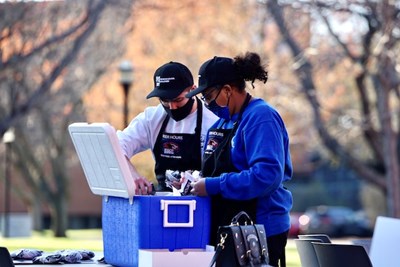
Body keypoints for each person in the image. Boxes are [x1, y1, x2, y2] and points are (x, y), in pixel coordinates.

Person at [185, 52, 293, 267]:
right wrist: (196, 181)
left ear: (227, 90)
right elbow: (214, 172)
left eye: (207, 96)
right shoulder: (220, 125)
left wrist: (213, 185)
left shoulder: (261, 117)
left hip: (260, 230)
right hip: (227, 228)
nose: (206, 104)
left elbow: (267, 175)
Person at [117, 61, 218, 194]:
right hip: (163, 202)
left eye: (178, 100)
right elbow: (115, 146)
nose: (172, 107)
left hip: (201, 204)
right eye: (164, 100)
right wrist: (132, 176)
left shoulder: (214, 119)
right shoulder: (151, 118)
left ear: (193, 90)